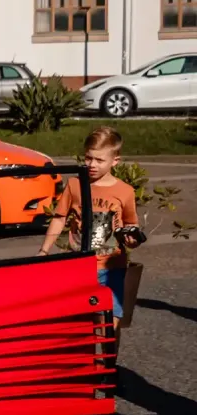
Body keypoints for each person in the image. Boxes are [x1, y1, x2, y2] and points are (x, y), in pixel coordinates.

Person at [38, 126, 142, 329]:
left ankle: (106, 350)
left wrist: (132, 239)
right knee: (79, 321)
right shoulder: (75, 185)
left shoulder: (125, 191)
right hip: (79, 265)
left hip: (111, 266)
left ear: (115, 161)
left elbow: (131, 223)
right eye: (88, 158)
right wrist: (44, 250)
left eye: (99, 160)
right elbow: (59, 218)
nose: (92, 165)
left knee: (109, 318)